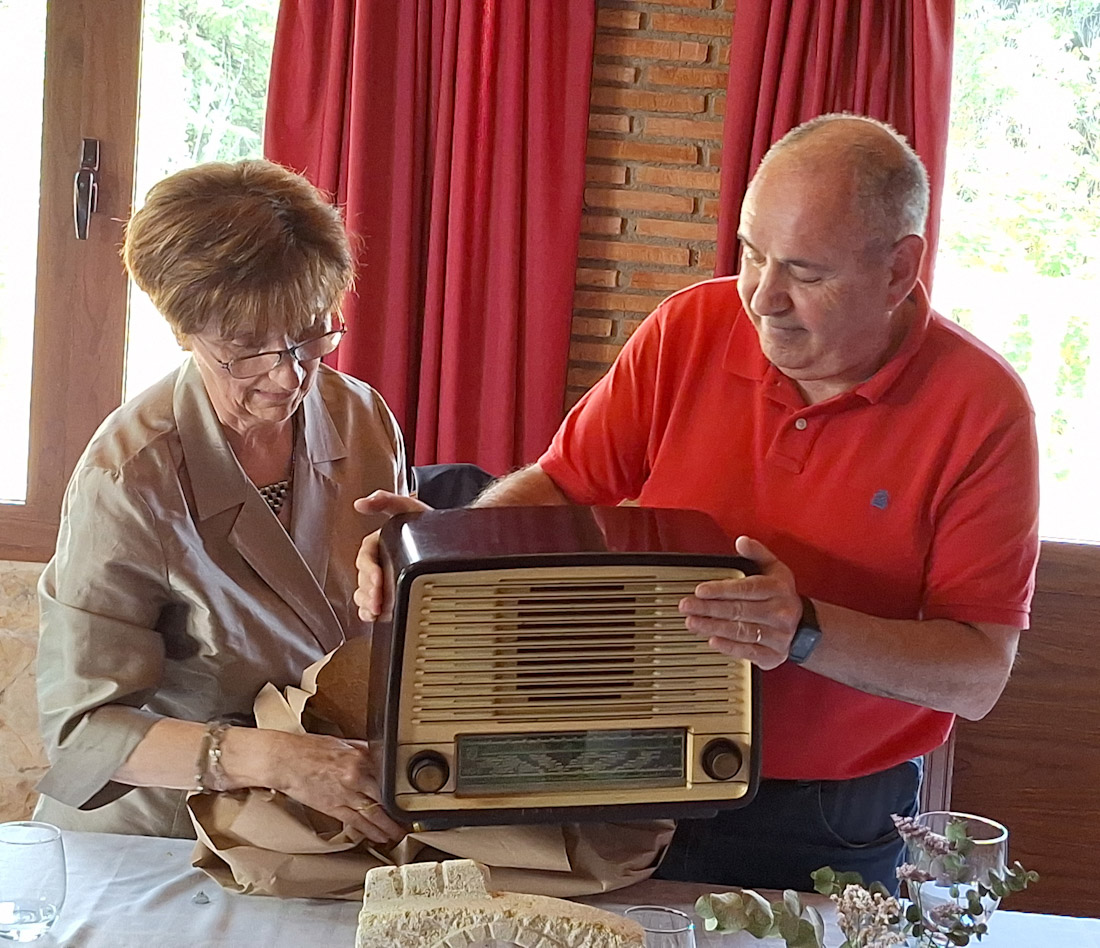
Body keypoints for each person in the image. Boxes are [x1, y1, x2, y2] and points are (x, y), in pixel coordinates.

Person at [353, 114, 1040, 892]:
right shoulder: (689, 326)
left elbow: (976, 675)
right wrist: (445, 549)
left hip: (827, 815)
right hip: (626, 771)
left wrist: (803, 630)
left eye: (806, 272)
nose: (763, 298)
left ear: (899, 269)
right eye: (752, 254)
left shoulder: (983, 408)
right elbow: (561, 485)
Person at [35, 159, 407, 844]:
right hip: (163, 837)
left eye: (309, 333)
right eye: (245, 346)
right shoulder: (130, 479)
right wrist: (273, 759)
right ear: (183, 330)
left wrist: (427, 563)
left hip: (317, 819)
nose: (287, 376)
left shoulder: (361, 418)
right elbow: (82, 731)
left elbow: (381, 628)